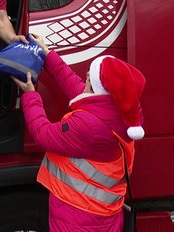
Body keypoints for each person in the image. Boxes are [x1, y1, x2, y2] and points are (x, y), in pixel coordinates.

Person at [12, 34, 146, 231]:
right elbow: (74, 85)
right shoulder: (116, 111)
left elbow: (42, 133)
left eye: (89, 77)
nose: (84, 77)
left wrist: (30, 94)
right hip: (103, 216)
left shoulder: (88, 126)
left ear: (97, 87)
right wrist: (48, 54)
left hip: (77, 217)